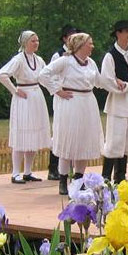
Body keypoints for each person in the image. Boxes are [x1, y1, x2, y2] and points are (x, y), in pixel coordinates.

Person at [39, 32, 123, 195]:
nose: (92, 46)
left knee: (84, 141)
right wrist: (57, 90)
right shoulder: (65, 61)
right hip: (71, 102)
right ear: (79, 45)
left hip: (87, 102)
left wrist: (117, 83)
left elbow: (99, 80)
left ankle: (78, 179)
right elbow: (43, 74)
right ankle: (63, 180)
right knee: (68, 141)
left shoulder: (90, 63)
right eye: (89, 43)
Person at [0, 31, 51, 184]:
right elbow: (2, 74)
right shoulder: (18, 59)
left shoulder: (39, 60)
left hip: (36, 97)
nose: (36, 43)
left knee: (33, 135)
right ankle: (15, 173)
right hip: (23, 97)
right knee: (21, 134)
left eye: (37, 40)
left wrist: (57, 89)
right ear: (25, 42)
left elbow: (46, 76)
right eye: (33, 41)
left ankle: (28, 171)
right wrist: (14, 90)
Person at [100, 20, 128, 183]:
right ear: (118, 33)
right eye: (126, 31)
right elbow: (107, 80)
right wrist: (127, 86)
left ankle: (121, 175)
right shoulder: (110, 56)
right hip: (119, 104)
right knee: (115, 141)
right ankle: (105, 177)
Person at [46, 24, 77, 181]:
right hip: (61, 97)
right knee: (59, 132)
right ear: (65, 38)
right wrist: (58, 91)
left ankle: (68, 168)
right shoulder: (58, 56)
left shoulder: (77, 55)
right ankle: (53, 169)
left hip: (73, 97)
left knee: (71, 132)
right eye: (70, 36)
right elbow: (48, 76)